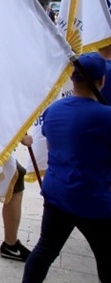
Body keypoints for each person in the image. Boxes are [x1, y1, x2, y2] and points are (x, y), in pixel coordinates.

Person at [23, 53, 111, 282]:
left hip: (58, 194)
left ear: (72, 79)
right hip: (93, 200)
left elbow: (52, 145)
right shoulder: (105, 117)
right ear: (102, 81)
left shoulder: (54, 110)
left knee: (44, 251)